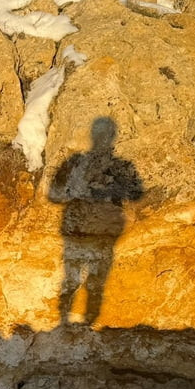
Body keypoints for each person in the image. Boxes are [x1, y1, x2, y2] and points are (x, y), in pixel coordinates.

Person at [47, 117, 141, 325]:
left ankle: (74, 327)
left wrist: (97, 190)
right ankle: (74, 327)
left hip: (90, 234)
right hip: (89, 234)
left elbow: (135, 194)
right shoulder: (113, 166)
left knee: (81, 282)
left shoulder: (84, 165)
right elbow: (54, 195)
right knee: (85, 283)